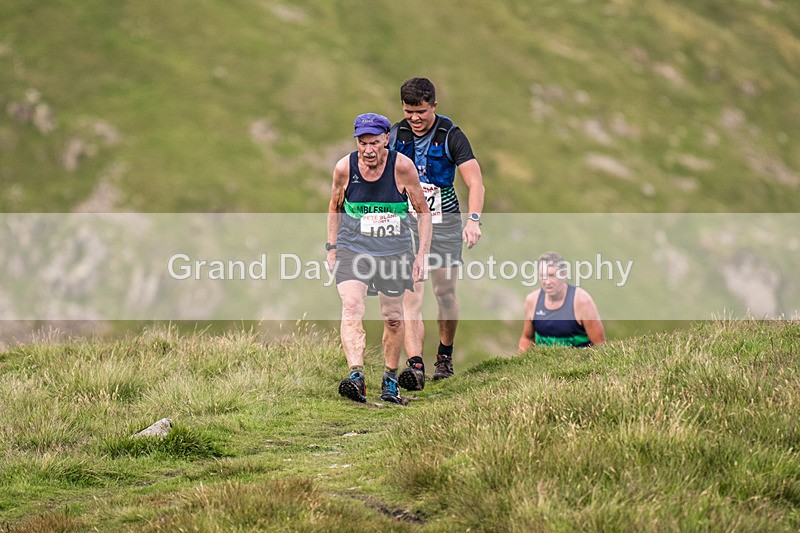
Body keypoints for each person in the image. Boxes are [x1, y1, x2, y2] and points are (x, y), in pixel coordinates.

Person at [388, 77, 485, 391]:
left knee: (444, 292)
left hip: (445, 224)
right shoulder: (394, 134)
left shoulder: (450, 135)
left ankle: (444, 354)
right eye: (408, 112)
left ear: (434, 106)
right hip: (408, 225)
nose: (415, 118)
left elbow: (475, 182)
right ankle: (415, 366)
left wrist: (473, 220)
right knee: (411, 294)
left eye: (421, 112)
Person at [327, 113, 432, 404]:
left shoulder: (402, 167)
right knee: (351, 305)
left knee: (393, 317)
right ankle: (356, 376)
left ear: (386, 139)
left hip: (393, 251)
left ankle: (389, 380)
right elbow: (334, 207)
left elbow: (423, 213)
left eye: (374, 142)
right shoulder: (344, 169)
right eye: (363, 143)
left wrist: (421, 255)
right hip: (353, 247)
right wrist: (332, 248)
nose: (369, 149)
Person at [518, 252, 606, 351]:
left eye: (552, 275)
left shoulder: (582, 301)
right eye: (543, 276)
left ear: (564, 274)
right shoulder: (532, 301)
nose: (547, 282)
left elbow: (600, 345)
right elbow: (527, 338)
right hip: (544, 364)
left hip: (578, 363)